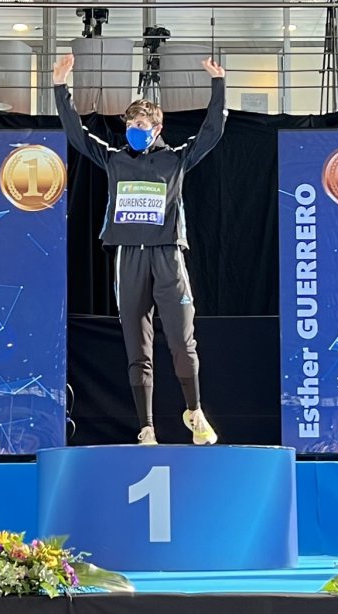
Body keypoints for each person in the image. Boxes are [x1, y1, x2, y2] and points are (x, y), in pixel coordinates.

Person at [52, 53, 226, 446]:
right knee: (137, 347)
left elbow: (213, 131)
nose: (135, 130)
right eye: (130, 125)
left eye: (142, 125)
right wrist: (60, 87)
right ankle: (146, 427)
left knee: (182, 342)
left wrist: (218, 85)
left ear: (157, 128)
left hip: (168, 256)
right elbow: (77, 134)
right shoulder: (115, 160)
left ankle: (194, 412)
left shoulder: (175, 160)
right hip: (129, 258)